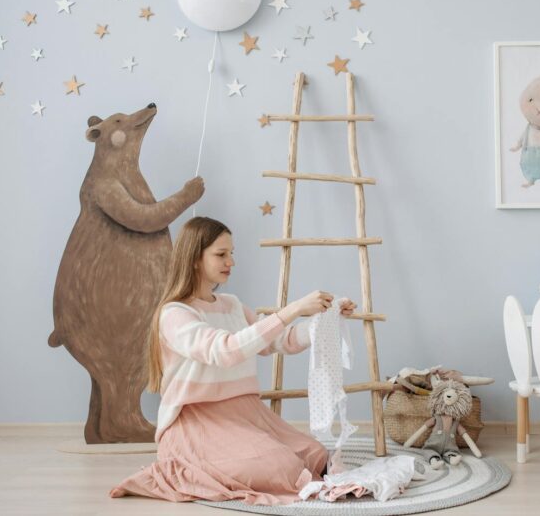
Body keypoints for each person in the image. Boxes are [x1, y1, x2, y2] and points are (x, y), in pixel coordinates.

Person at [109, 216, 356, 505]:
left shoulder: (232, 305)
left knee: (315, 455)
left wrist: (324, 320)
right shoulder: (175, 314)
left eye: (232, 253)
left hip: (245, 412)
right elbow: (225, 351)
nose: (231, 261)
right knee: (282, 467)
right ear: (195, 259)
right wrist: (293, 309)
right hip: (197, 419)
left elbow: (280, 340)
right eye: (221, 254)